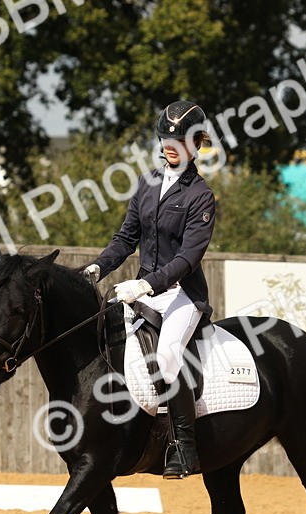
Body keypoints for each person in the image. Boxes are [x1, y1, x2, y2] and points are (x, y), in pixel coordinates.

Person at [85, 100, 217, 479]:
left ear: (196, 145)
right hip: (143, 289)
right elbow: (126, 238)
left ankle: (184, 447)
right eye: (165, 138)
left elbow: (188, 258)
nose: (169, 145)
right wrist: (98, 266)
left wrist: (146, 283)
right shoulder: (147, 183)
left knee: (168, 355)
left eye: (178, 140)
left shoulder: (200, 197)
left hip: (183, 294)